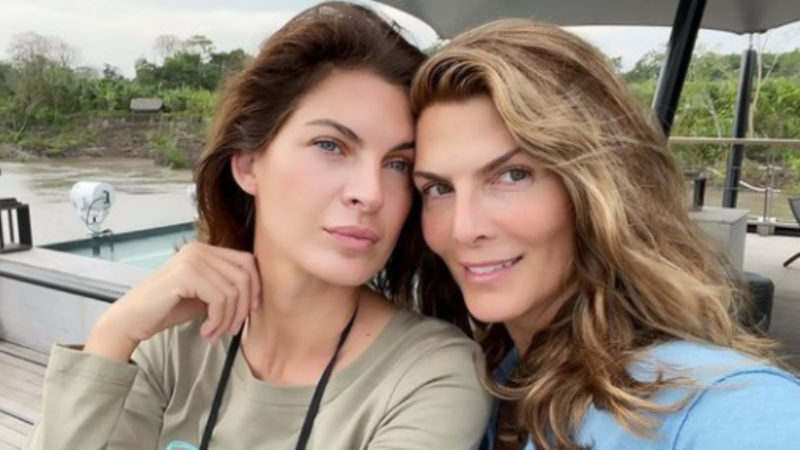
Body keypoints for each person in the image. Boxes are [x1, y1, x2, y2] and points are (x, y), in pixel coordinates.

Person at [26, 3, 491, 449]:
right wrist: (113, 334)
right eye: (330, 146)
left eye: (397, 164)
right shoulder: (173, 345)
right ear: (249, 165)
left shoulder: (430, 375)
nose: (370, 194)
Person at [410, 18, 800, 450]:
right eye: (438, 188)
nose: (464, 229)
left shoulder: (718, 405)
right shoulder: (498, 375)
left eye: (513, 175)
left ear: (600, 187)